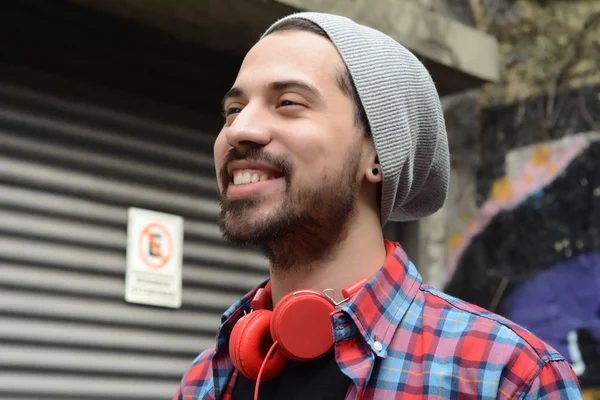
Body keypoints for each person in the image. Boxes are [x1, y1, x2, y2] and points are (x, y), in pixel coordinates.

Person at [174, 12, 582, 400]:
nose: (240, 129)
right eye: (233, 110)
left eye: (288, 103)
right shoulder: (205, 379)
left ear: (379, 155)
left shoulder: (508, 376)